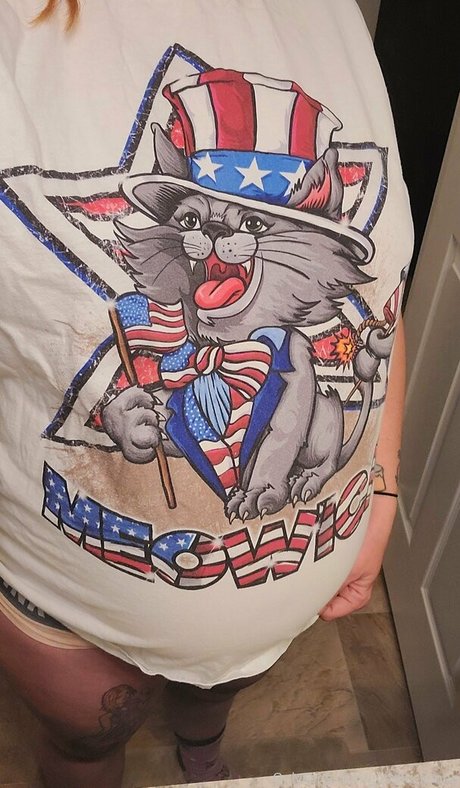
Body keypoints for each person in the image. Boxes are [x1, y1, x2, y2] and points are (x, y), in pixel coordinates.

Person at [0, 0, 411, 785]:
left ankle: (202, 745)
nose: (218, 241)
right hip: (64, 596)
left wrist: (382, 483)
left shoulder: (332, 15)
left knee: (216, 694)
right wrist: (118, 414)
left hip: (286, 574)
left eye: (254, 227)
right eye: (198, 217)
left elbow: (388, 291)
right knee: (86, 747)